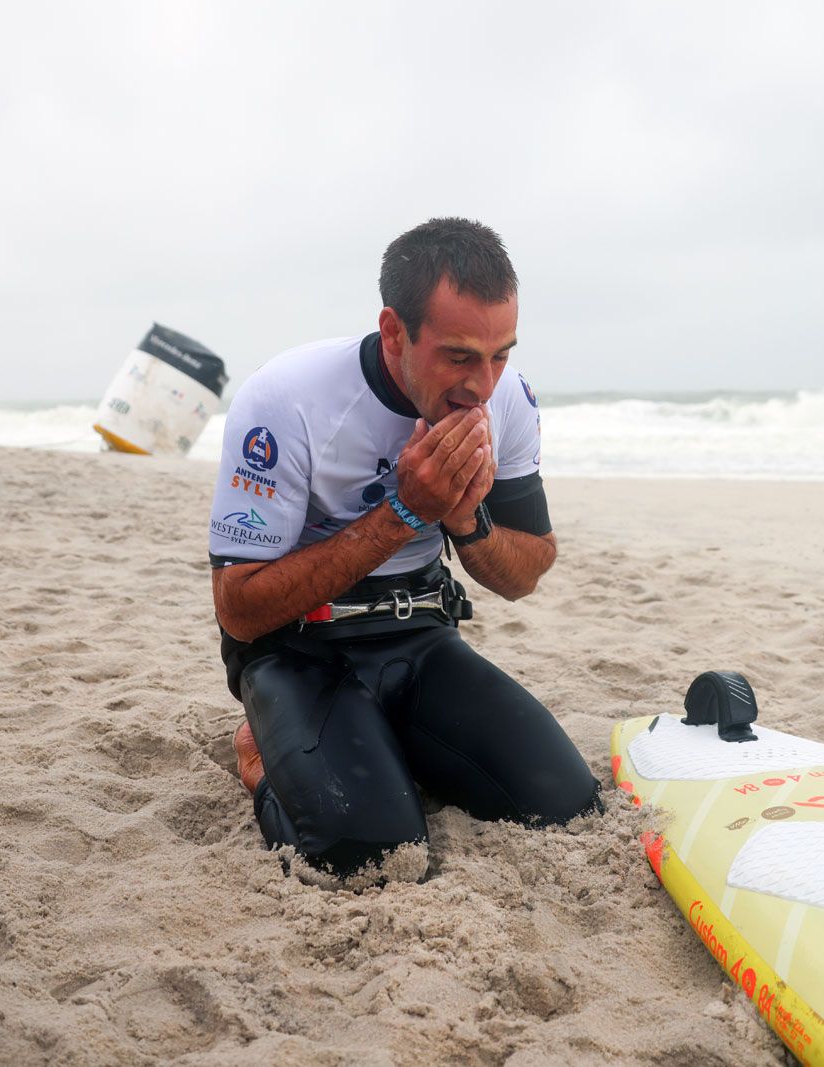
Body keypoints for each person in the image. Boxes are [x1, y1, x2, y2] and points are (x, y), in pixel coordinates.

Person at [207, 218, 599, 877]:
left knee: (564, 804)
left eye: (500, 353)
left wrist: (468, 522)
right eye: (459, 355)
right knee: (369, 857)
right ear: (394, 332)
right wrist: (401, 513)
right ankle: (259, 755)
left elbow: (527, 570)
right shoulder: (287, 399)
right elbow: (240, 609)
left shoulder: (508, 402)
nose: (483, 383)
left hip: (418, 635)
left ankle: (389, 746)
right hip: (298, 648)